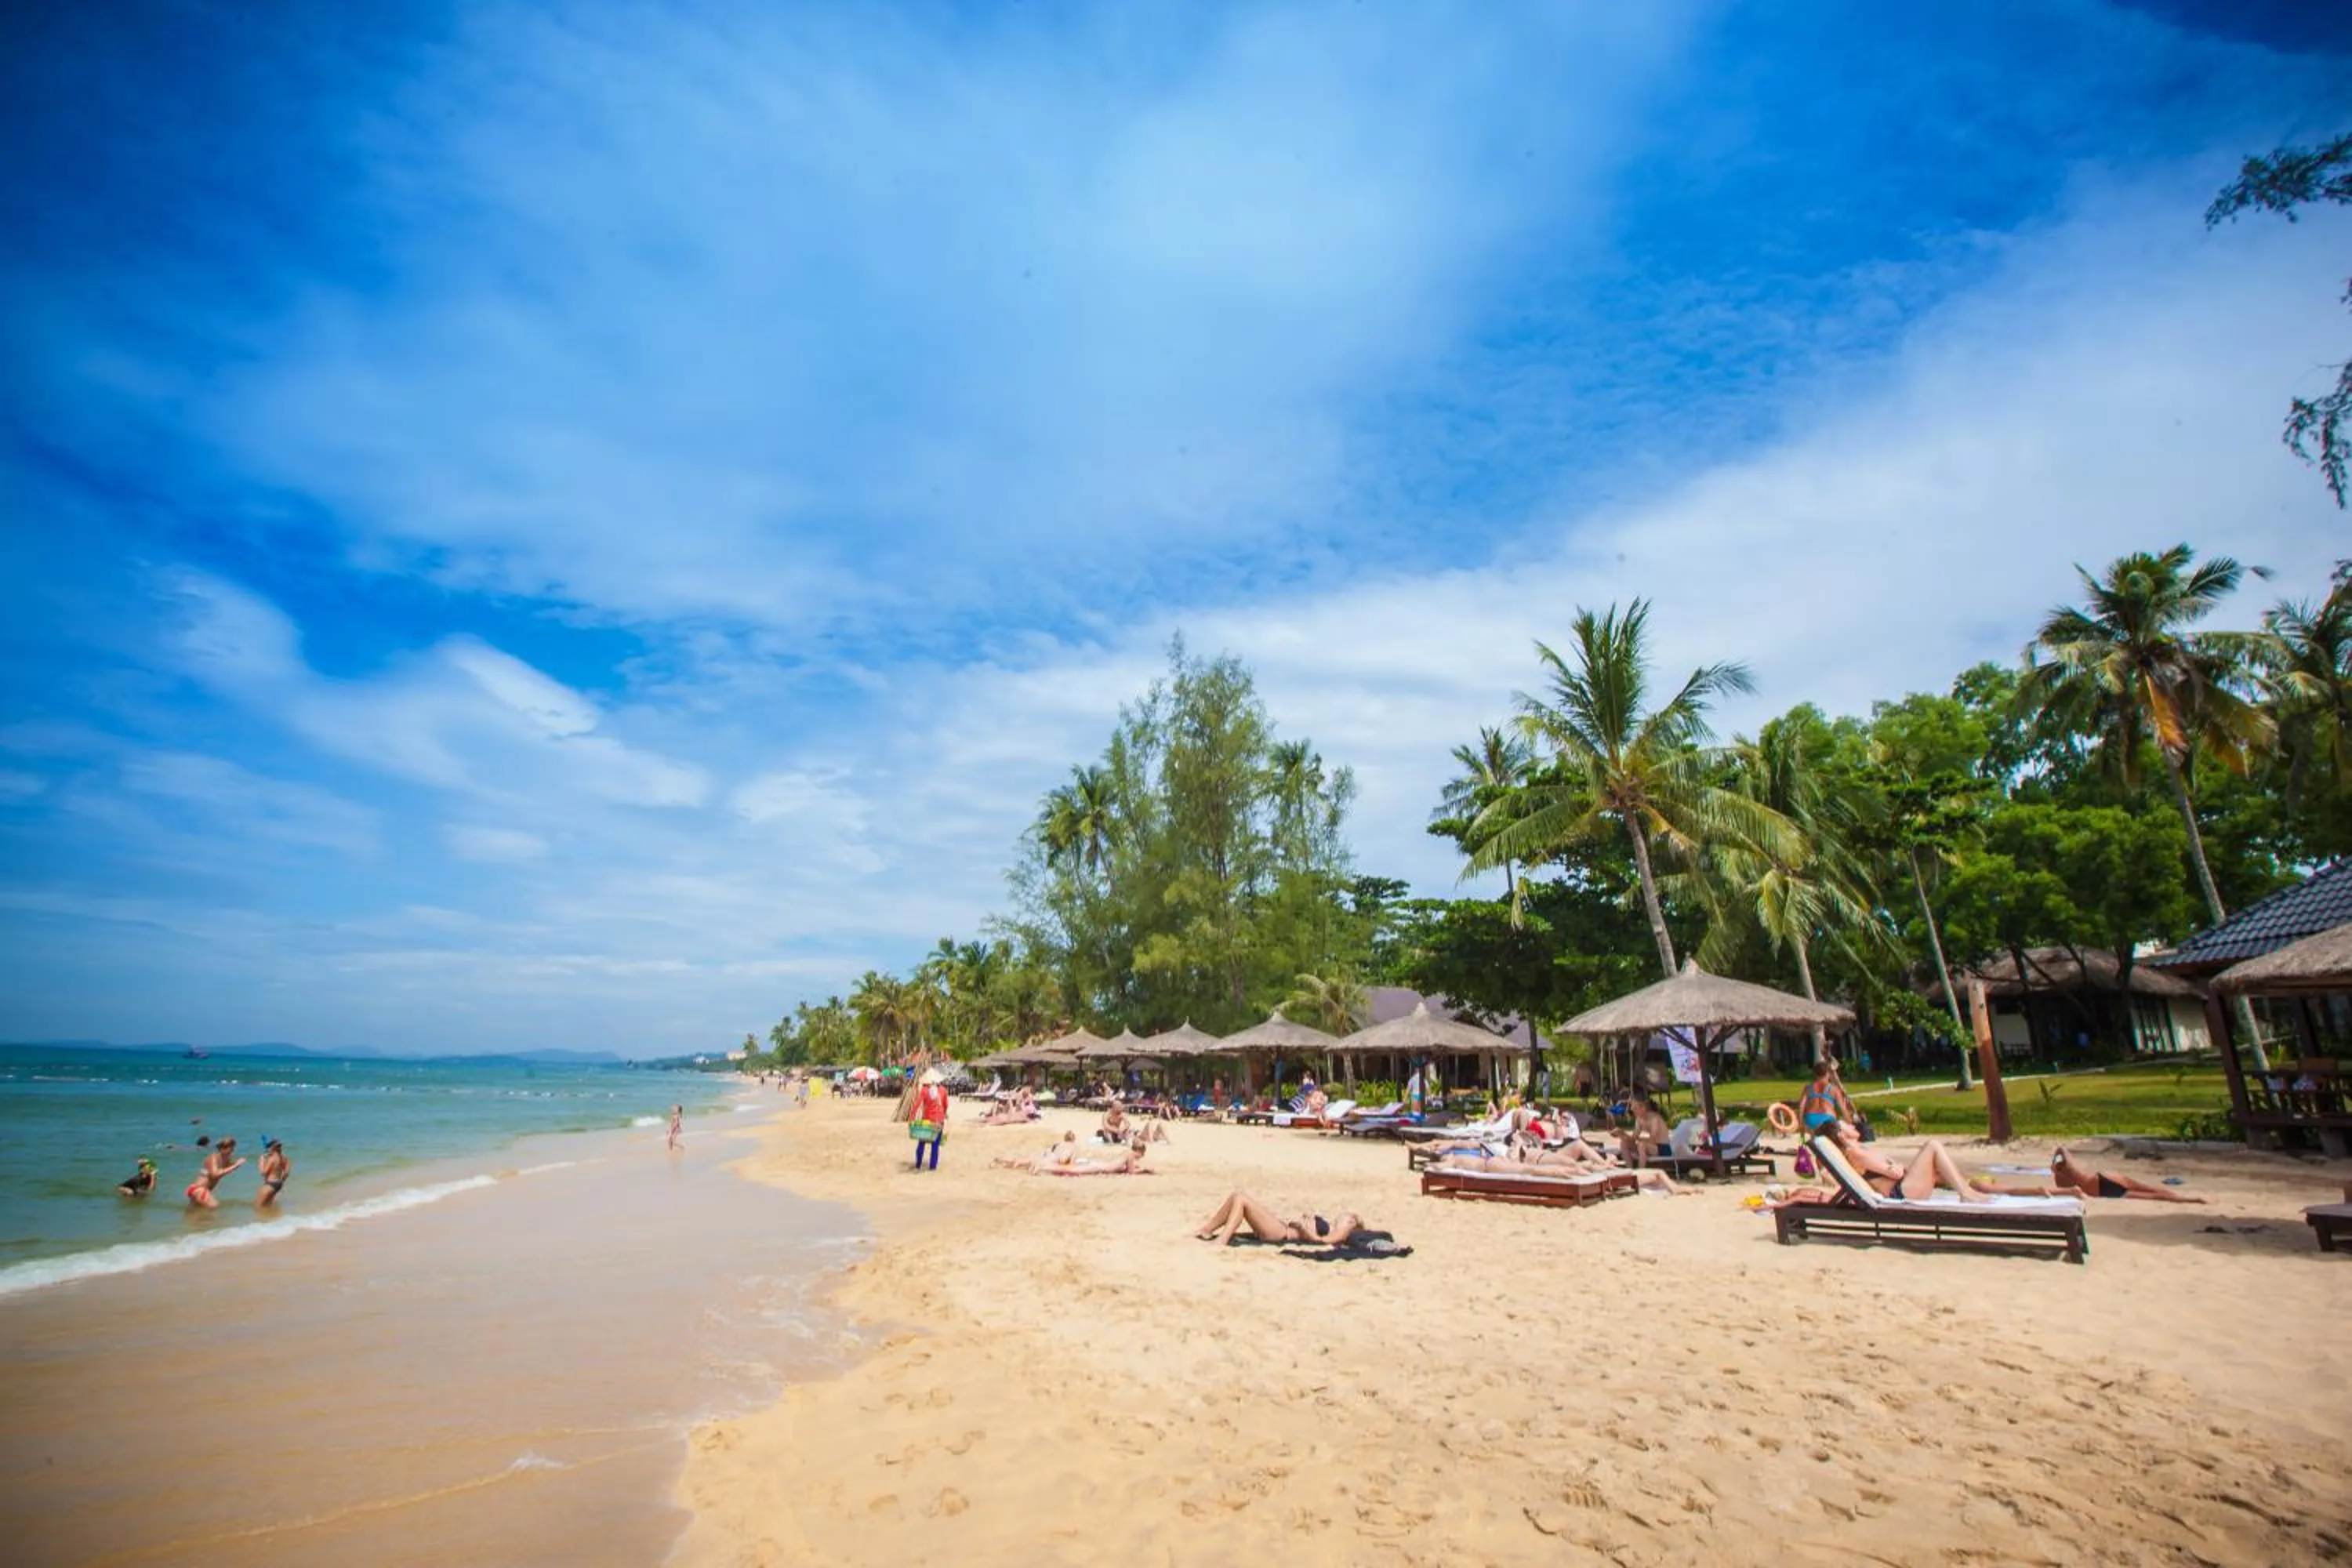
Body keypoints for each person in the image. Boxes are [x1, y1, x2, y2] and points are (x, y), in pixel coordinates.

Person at [1825, 1119, 1989, 1203]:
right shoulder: (1855, 1153)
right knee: (1932, 1145)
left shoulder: (1860, 1149)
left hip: (1906, 1189)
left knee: (1934, 1157)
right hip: (1901, 1193)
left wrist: (1894, 1166)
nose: (1852, 1125)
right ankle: (1965, 1193)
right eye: (1847, 1125)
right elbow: (1895, 1173)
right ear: (1841, 1134)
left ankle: (1967, 1191)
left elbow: (1893, 1168)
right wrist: (1893, 1166)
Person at [1973, 1145, 2207, 1203]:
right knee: (2148, 1190)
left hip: (2100, 1188)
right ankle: (2187, 1198)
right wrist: (2055, 1161)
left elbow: (2062, 1151)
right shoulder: (2067, 1172)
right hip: (2102, 1181)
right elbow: (2062, 1149)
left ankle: (2189, 1199)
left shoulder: (2063, 1177)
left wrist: (2055, 1164)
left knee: (2149, 1194)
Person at [1798, 1058, 1857, 1137]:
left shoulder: (1808, 1088)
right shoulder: (1834, 1089)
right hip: (1828, 1119)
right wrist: (1849, 1122)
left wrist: (1801, 1123)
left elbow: (1801, 1106)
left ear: (1815, 1074)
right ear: (1827, 1073)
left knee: (1815, 1137)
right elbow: (1842, 1109)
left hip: (1811, 1119)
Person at [1616, 1088, 1672, 1167]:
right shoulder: (1639, 1119)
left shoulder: (1655, 1119)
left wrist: (1639, 1139)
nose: (1632, 1109)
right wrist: (1623, 1134)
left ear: (1643, 1107)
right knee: (1624, 1143)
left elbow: (1653, 1139)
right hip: (1650, 1147)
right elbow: (1634, 1138)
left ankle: (1641, 1170)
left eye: (1635, 1108)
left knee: (1642, 1145)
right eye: (1632, 1107)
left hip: (1662, 1148)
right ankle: (1629, 1168)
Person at [186, 1138, 244, 1210]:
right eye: (231, 1149)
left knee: (194, 1213)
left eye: (233, 1149)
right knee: (215, 1206)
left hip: (199, 1191)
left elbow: (231, 1166)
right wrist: (236, 1166)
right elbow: (215, 1174)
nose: (232, 1152)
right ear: (222, 1149)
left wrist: (236, 1164)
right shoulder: (213, 1158)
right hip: (199, 1189)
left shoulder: (225, 1160)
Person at [911, 1068, 949, 1171]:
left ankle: (918, 1164)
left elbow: (917, 1104)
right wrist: (943, 1115)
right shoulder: (943, 1090)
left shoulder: (925, 1090)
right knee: (935, 1145)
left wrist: (912, 1117)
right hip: (938, 1121)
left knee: (922, 1143)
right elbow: (946, 1105)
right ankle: (933, 1167)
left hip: (927, 1121)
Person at [255, 1138, 291, 1210]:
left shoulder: (272, 1159)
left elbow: (263, 1173)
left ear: (272, 1148)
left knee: (258, 1207)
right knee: (268, 1205)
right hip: (279, 1184)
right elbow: (286, 1173)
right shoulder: (285, 1159)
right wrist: (281, 1182)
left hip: (270, 1184)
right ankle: (273, 1216)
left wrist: (261, 1162)